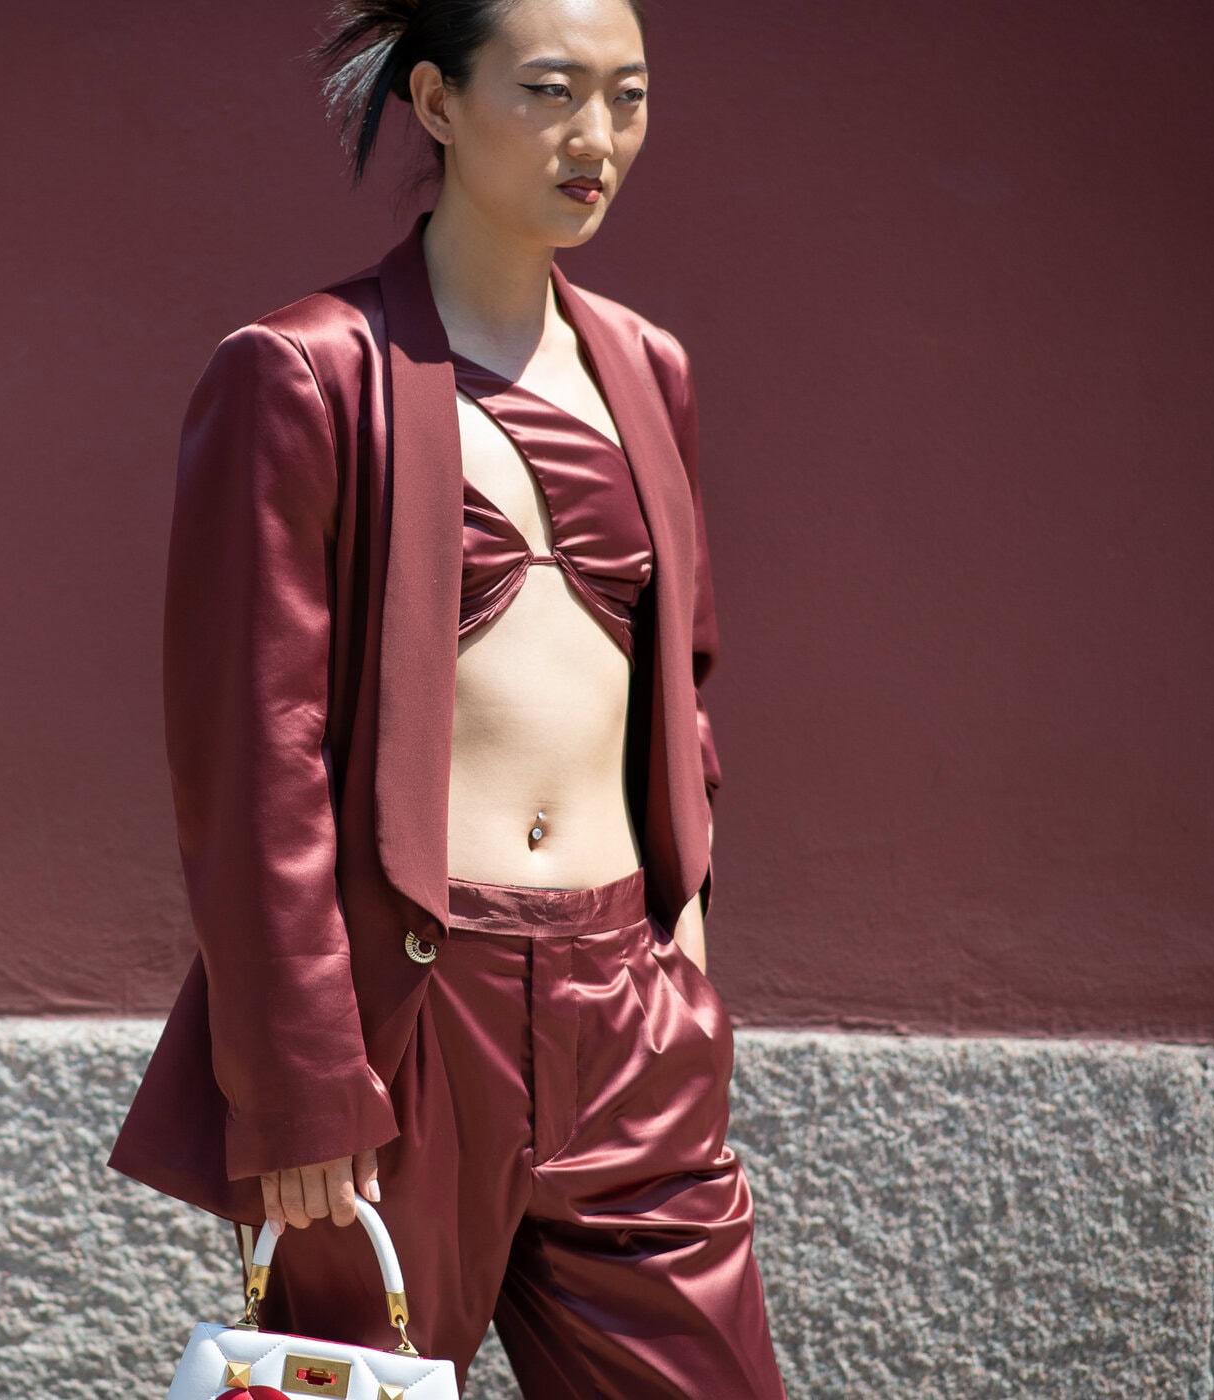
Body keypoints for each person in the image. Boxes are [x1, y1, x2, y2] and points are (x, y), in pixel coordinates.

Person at [109, 0, 790, 1394]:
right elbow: (254, 760)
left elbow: (680, 684)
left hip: (631, 1013)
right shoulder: (304, 371)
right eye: (549, 90)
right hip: (406, 1024)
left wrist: (686, 957)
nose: (596, 136)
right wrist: (299, 1078)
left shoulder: (647, 369)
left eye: (629, 95)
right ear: (435, 102)